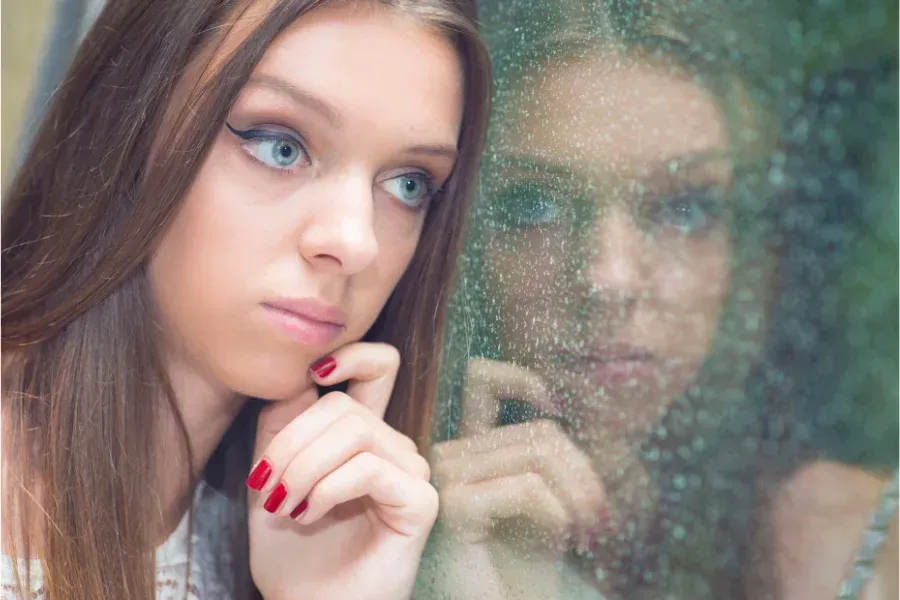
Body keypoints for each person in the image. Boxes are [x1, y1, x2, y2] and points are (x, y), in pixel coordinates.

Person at [0, 0, 491, 598]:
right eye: (280, 146)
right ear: (127, 125)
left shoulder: (297, 533)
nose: (356, 241)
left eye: (408, 185)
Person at [418, 2, 897, 599]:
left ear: (749, 253)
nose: (609, 279)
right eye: (532, 206)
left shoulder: (871, 550)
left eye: (683, 208)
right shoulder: (366, 524)